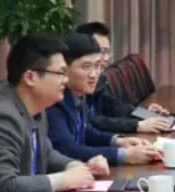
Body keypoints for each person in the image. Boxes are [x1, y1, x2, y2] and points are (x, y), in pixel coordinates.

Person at [0, 36, 97, 192]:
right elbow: (3, 187)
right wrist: (63, 180)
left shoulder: (36, 108)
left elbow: (46, 154)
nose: (66, 80)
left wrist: (75, 166)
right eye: (60, 73)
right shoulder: (0, 117)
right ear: (30, 77)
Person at [48, 32, 160, 165]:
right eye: (86, 67)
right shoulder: (55, 101)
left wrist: (118, 141)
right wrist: (123, 155)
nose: (94, 74)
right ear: (64, 69)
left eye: (97, 66)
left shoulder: (79, 94)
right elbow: (68, 150)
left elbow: (85, 131)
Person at [75, 21, 173, 134]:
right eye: (101, 52)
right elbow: (92, 121)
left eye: (107, 52)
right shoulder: (74, 87)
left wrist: (146, 114)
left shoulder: (100, 79)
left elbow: (114, 107)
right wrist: (137, 125)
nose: (105, 59)